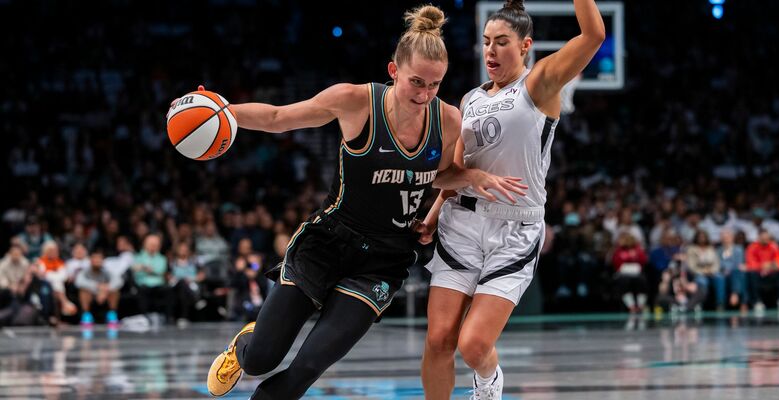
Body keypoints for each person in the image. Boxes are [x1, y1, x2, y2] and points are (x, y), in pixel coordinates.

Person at [201, 5, 526, 399]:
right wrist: (217, 111)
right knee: (261, 360)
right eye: (416, 82)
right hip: (327, 242)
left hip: (383, 260)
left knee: (306, 369)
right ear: (393, 71)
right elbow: (276, 118)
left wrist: (470, 176)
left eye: (435, 85)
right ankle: (244, 347)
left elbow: (438, 176)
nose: (425, 95)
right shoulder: (355, 101)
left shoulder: (449, 120)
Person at [418, 1, 605, 398]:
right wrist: (434, 215)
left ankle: (488, 381)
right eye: (486, 42)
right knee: (438, 341)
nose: (491, 51)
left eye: (502, 42)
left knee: (474, 346)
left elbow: (594, 36)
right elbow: (449, 175)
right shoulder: (469, 101)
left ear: (525, 46)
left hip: (514, 229)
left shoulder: (540, 84)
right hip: (461, 225)